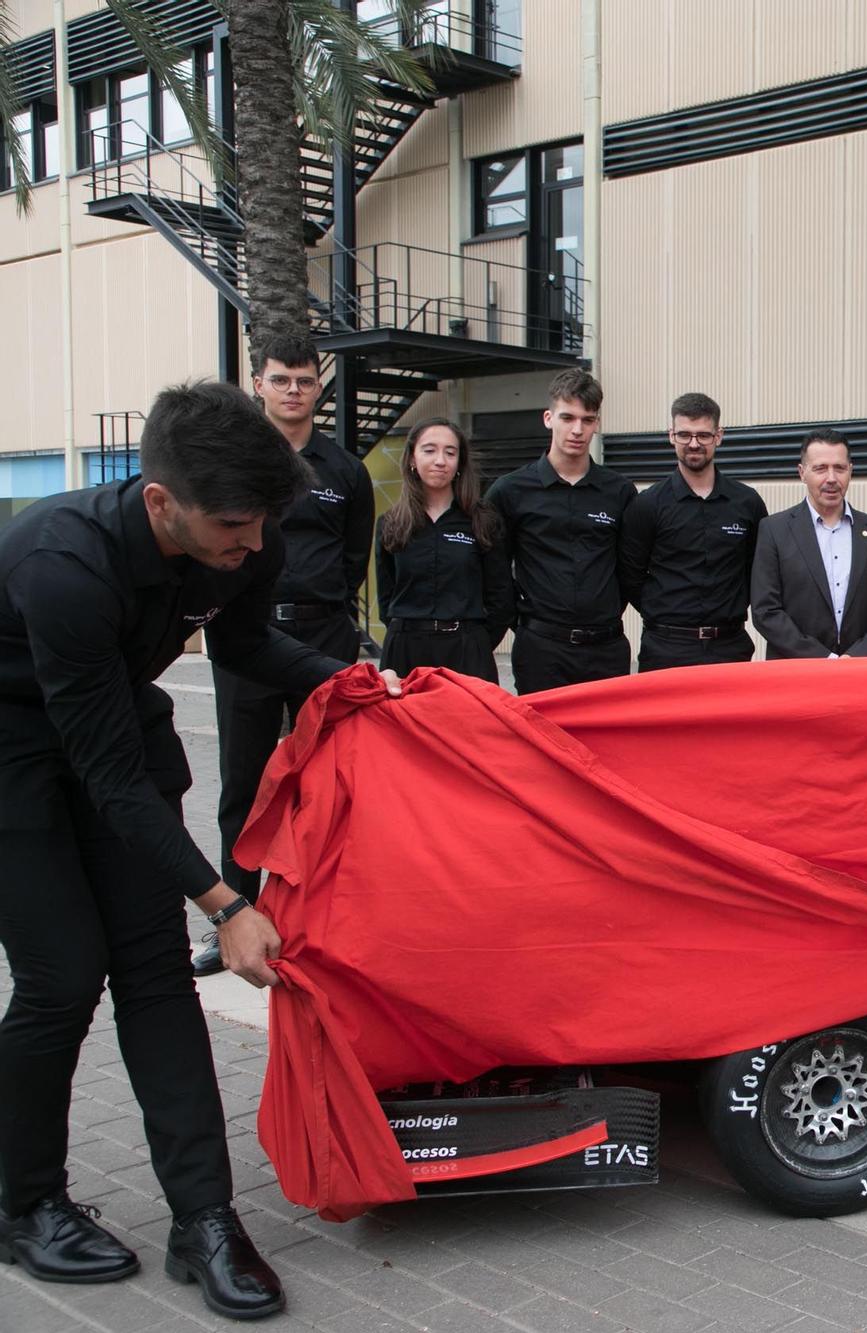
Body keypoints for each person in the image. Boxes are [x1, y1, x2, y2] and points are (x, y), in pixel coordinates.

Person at [0, 381, 402, 1319]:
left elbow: (247, 644)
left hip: (113, 736)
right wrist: (227, 903)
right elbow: (106, 776)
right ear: (159, 503)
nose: (253, 547)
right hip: (15, 755)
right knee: (63, 977)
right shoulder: (65, 563)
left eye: (261, 525)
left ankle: (205, 1220)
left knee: (152, 979)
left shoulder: (243, 533)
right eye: (232, 526)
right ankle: (23, 1204)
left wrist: (344, 684)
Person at [198, 335, 371, 977]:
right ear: (258, 383)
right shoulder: (236, 461)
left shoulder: (345, 471)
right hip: (246, 637)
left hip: (320, 639)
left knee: (323, 783)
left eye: (304, 380)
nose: (293, 390)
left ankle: (323, 916)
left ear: (319, 388)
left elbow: (355, 558)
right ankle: (232, 919)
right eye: (281, 380)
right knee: (242, 781)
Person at [485, 369, 637, 693]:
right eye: (567, 417)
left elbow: (629, 571)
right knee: (541, 742)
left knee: (607, 744)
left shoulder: (620, 492)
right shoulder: (509, 491)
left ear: (597, 424)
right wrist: (526, 622)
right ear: (548, 418)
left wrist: (603, 611)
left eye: (588, 419)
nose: (577, 429)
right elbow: (495, 570)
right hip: (541, 650)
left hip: (606, 649)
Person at [618, 392, 768, 670]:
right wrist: (665, 613)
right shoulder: (647, 504)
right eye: (685, 435)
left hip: (730, 648)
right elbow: (630, 576)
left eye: (703, 435)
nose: (694, 444)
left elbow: (756, 571)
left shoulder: (747, 503)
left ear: (719, 436)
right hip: (665, 649)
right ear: (671, 435)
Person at [374, 418, 512, 682]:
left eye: (450, 452)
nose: (440, 460)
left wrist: (477, 643)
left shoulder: (482, 520)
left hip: (466, 651)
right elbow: (386, 598)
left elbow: (501, 597)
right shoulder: (390, 524)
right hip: (405, 651)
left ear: (460, 462)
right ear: (412, 458)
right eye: (429, 450)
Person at [750, 430, 867, 659]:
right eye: (820, 468)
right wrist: (824, 659)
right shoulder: (774, 530)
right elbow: (766, 611)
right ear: (802, 473)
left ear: (850, 471)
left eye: (839, 468)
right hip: (796, 675)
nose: (831, 478)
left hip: (863, 673)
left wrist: (857, 657)